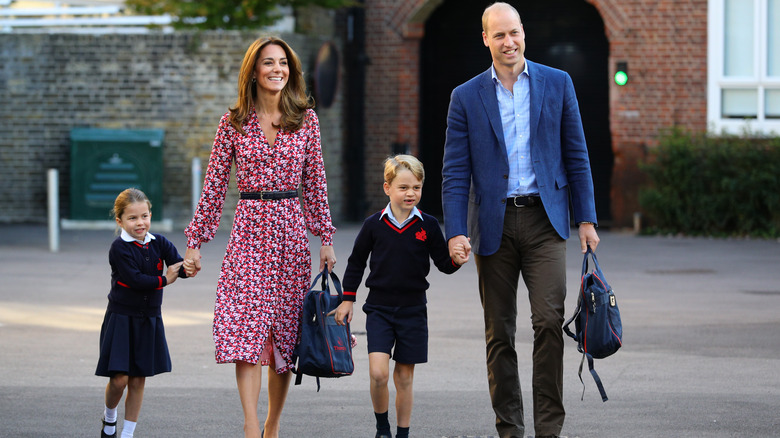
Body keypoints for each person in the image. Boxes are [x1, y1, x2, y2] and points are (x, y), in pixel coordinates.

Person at [441, 3, 601, 438]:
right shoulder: (466, 95)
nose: (508, 42)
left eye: (514, 33)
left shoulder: (557, 82)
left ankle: (548, 428)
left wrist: (585, 218)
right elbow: (455, 171)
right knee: (499, 333)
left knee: (549, 322)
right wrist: (455, 230)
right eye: (499, 35)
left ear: (523, 34)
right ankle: (509, 428)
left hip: (545, 222)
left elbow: (577, 154)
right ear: (486, 39)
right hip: (491, 225)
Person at [182, 36, 337, 438]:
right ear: (253, 70)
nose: (276, 70)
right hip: (248, 232)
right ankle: (251, 424)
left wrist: (325, 237)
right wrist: (195, 241)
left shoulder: (306, 119)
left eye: (283, 63)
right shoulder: (232, 122)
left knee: (285, 337)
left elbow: (315, 183)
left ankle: (272, 424)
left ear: (291, 69)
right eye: (268, 63)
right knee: (245, 328)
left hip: (289, 232)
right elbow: (214, 188)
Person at [334, 155, 468, 438]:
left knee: (404, 377)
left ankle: (402, 434)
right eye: (403, 187)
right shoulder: (373, 224)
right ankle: (382, 428)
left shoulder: (428, 225)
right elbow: (356, 262)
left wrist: (457, 260)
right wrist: (348, 299)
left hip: (413, 311)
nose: (410, 193)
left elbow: (444, 264)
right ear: (387, 188)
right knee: (379, 373)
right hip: (380, 310)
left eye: (416, 188)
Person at [96, 188, 187, 438]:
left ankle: (127, 434)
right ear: (120, 221)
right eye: (133, 218)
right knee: (119, 380)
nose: (140, 223)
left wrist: (188, 266)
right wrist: (164, 280)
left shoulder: (159, 242)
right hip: (122, 318)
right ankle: (110, 416)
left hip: (149, 319)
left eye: (144, 216)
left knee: (138, 380)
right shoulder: (119, 248)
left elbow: (177, 264)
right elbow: (135, 280)